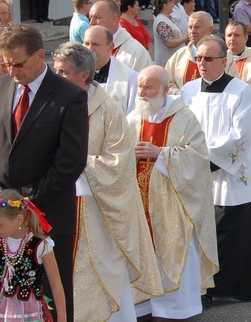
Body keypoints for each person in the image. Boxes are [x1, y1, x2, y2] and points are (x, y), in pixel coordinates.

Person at [51, 42, 161, 322]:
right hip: (57, 201)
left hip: (96, 209)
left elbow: (120, 162)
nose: (57, 76)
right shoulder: (51, 103)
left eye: (63, 72)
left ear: (83, 75)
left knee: (100, 273)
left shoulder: (107, 110)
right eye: (56, 70)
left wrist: (75, 163)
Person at [0, 24, 88, 321]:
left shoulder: (69, 96)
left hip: (47, 216)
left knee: (52, 294)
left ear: (40, 55)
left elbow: (70, 161)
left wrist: (28, 206)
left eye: (19, 63)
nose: (12, 71)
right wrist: (6, 203)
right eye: (6, 63)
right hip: (3, 213)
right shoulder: (1, 87)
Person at [128, 66, 219, 319]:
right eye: (140, 86)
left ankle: (177, 309)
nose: (142, 93)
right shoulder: (134, 117)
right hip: (141, 203)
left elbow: (199, 157)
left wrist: (161, 154)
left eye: (148, 87)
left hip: (174, 207)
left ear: (165, 90)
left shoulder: (184, 117)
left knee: (175, 254)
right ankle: (144, 305)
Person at [181, 36, 251, 302]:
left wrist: (209, 161)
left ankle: (224, 287)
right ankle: (201, 286)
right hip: (196, 171)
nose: (201, 63)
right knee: (199, 228)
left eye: (208, 58)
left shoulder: (241, 91)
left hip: (228, 173)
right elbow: (181, 130)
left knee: (227, 230)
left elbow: (241, 134)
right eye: (198, 58)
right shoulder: (188, 91)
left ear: (224, 61)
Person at [0, 189, 66, 322]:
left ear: (19, 219)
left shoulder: (40, 244)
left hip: (31, 314)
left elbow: (55, 283)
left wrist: (62, 318)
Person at [165, 11, 238, 92]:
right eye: (190, 27)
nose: (192, 31)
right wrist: (181, 95)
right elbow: (167, 82)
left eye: (197, 27)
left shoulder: (223, 57)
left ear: (210, 29)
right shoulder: (179, 56)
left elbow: (233, 85)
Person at [83, 25, 138, 115]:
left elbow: (133, 115)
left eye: (95, 44)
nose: (89, 49)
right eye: (86, 43)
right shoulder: (76, 74)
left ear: (110, 47)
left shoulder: (130, 78)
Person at [89, 0, 153, 72]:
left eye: (97, 17)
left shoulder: (136, 52)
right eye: (90, 18)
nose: (91, 22)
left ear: (114, 19)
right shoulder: (86, 48)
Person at [152, 0, 188, 67]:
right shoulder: (161, 22)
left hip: (175, 61)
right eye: (171, 3)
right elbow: (169, 43)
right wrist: (185, 38)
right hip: (167, 63)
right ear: (165, 6)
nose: (173, 5)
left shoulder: (169, 18)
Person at [225, 21, 251, 85]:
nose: (232, 38)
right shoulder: (219, 60)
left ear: (245, 38)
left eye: (236, 35)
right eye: (229, 35)